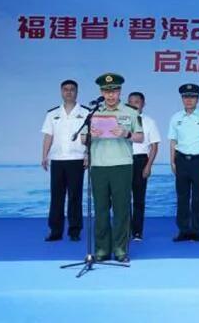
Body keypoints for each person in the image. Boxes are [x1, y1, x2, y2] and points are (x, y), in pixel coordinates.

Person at [82, 73, 143, 263]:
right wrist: (91, 135)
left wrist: (126, 133)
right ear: (101, 92)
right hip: (99, 166)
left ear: (120, 92)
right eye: (106, 91)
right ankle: (101, 249)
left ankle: (120, 249)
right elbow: (82, 138)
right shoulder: (93, 113)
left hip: (122, 165)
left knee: (121, 209)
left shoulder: (130, 112)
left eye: (114, 91)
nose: (110, 95)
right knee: (100, 209)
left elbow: (140, 137)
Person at [41, 79, 89, 242]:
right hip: (57, 159)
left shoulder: (86, 113)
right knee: (56, 197)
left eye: (72, 89)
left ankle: (74, 230)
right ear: (61, 92)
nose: (69, 92)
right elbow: (48, 136)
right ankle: (55, 231)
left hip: (76, 159)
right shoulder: (52, 114)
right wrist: (44, 156)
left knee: (75, 196)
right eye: (65, 89)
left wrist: (88, 155)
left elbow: (90, 137)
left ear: (77, 92)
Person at [168, 84, 199, 242]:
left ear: (198, 99)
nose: (189, 100)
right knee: (182, 196)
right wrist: (172, 161)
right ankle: (183, 230)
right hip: (181, 160)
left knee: (197, 197)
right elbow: (173, 141)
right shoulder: (176, 118)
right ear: (182, 99)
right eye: (186, 97)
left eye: (192, 97)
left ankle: (196, 230)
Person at [126, 92, 161, 241]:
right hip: (123, 161)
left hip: (140, 161)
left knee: (139, 198)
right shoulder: (122, 120)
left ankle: (137, 232)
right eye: (130, 102)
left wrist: (148, 166)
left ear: (143, 104)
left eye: (137, 102)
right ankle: (125, 230)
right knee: (123, 199)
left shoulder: (149, 122)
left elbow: (154, 146)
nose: (133, 104)